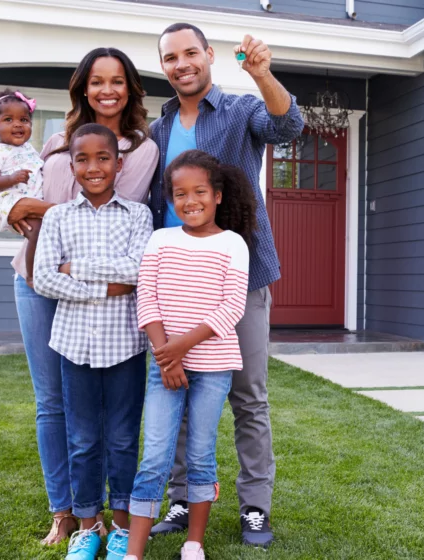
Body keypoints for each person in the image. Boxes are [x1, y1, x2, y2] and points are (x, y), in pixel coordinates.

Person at [146, 23, 304, 548]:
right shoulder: (159, 128)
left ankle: (254, 507)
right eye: (171, 57)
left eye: (191, 52)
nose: (181, 63)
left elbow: (287, 126)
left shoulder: (239, 110)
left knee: (248, 398)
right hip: (173, 280)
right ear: (164, 66)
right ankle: (182, 497)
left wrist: (262, 74)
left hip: (241, 275)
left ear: (209, 56)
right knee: (177, 387)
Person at [7, 47, 159, 547]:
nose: (107, 90)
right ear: (83, 87)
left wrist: (74, 264)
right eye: (97, 81)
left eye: (117, 81)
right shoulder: (53, 142)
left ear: (130, 88)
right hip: (36, 277)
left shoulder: (142, 148)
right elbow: (35, 211)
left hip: (107, 310)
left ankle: (109, 522)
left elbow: (119, 209)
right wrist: (25, 209)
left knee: (115, 428)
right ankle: (68, 514)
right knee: (54, 405)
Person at [113, 151, 255, 560]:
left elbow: (231, 308)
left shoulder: (233, 245)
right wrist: (166, 355)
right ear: (170, 198)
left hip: (213, 367)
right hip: (164, 365)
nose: (189, 201)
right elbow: (147, 299)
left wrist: (179, 349)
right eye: (179, 194)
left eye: (199, 192)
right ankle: (133, 554)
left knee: (199, 453)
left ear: (218, 196)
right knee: (155, 455)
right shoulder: (160, 239)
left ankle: (194, 543)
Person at [33, 124, 153, 560]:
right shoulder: (58, 216)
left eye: (103, 158)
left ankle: (121, 527)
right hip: (74, 346)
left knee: (122, 438)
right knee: (82, 439)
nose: (93, 167)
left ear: (119, 164)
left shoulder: (138, 215)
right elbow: (44, 277)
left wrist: (75, 268)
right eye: (82, 159)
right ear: (71, 166)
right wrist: (105, 285)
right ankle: (88, 527)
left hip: (124, 347)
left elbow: (137, 271)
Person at [0, 89, 44, 283]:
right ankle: (31, 274)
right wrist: (11, 179)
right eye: (8, 120)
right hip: (6, 201)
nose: (17, 124)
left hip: (27, 200)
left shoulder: (28, 149)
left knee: (43, 230)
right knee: (37, 230)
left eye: (24, 120)